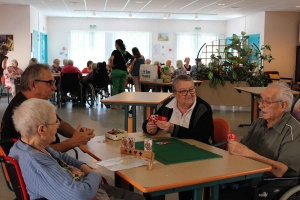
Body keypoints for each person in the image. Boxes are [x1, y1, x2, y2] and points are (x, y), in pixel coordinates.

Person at [9, 98, 145, 200]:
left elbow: (61, 157)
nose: (58, 126)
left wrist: (85, 167)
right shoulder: (37, 163)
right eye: (55, 122)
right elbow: (79, 194)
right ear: (41, 129)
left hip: (80, 183)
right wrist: (95, 174)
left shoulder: (25, 146)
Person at [222, 82, 300, 200]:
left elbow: (280, 171)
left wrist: (247, 153)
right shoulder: (259, 123)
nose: (260, 106)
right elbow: (240, 152)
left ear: (283, 105)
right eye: (261, 100)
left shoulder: (293, 130)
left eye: (267, 102)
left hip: (270, 186)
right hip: (248, 178)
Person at [142, 75, 214, 200]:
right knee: (152, 175)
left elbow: (202, 136)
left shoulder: (203, 108)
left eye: (191, 89)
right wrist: (149, 127)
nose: (189, 94)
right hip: (172, 152)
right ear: (174, 93)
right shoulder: (168, 105)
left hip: (198, 156)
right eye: (183, 91)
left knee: (187, 183)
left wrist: (174, 129)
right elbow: (151, 120)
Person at [0, 64, 94, 154]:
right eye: (50, 83)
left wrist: (78, 135)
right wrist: (73, 142)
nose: (54, 87)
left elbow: (59, 124)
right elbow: (36, 152)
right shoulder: (24, 110)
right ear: (33, 84)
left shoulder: (35, 103)